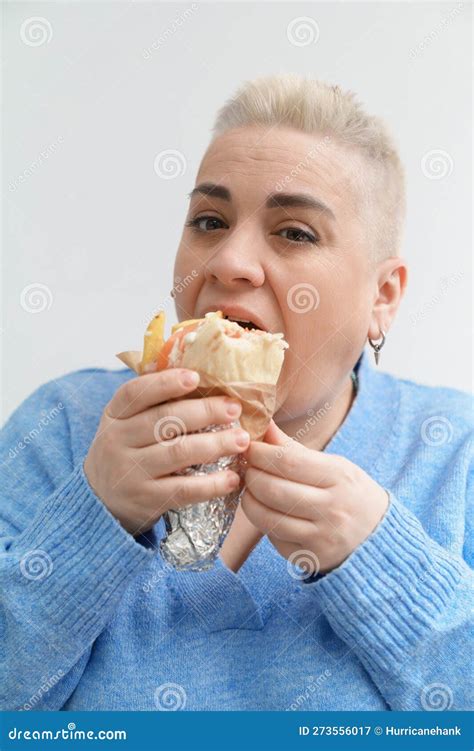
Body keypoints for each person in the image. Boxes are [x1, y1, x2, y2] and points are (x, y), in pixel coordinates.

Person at [1, 74, 471, 712]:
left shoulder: (455, 452)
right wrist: (92, 519)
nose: (228, 260)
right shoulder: (61, 426)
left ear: (382, 297)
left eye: (294, 232)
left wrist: (382, 562)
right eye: (210, 220)